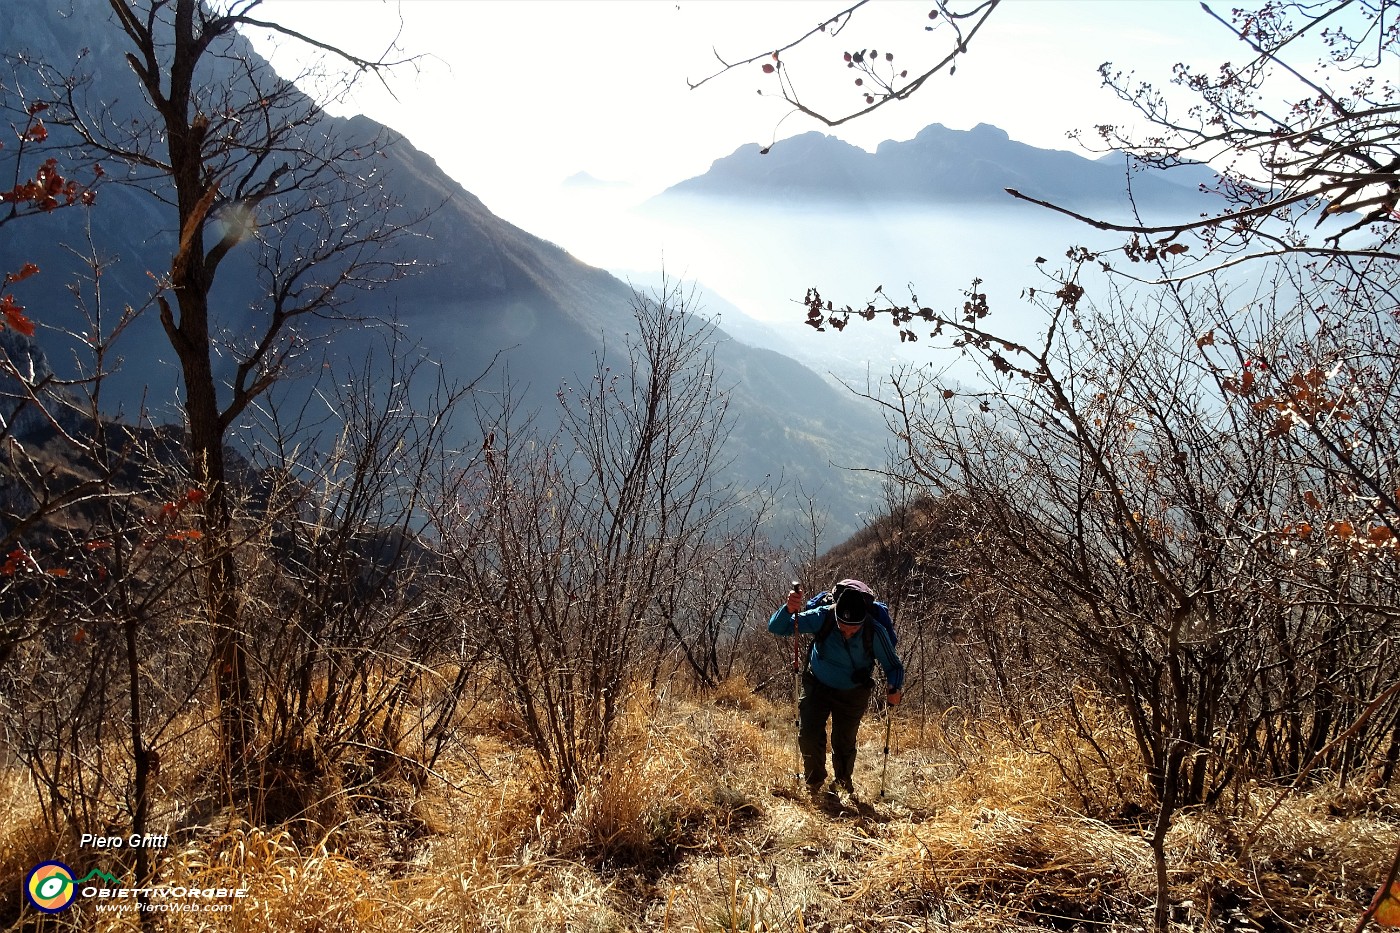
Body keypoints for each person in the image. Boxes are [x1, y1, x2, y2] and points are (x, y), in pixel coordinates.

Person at [769, 579, 904, 798]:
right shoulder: (823, 616)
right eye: (843, 628)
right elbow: (778, 627)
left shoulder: (874, 630)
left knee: (844, 742)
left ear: (864, 621)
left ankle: (842, 782)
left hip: (853, 692)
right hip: (817, 685)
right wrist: (789, 609)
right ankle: (814, 782)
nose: (848, 633)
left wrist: (894, 687)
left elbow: (893, 666)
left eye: (854, 630)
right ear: (836, 615)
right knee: (809, 735)